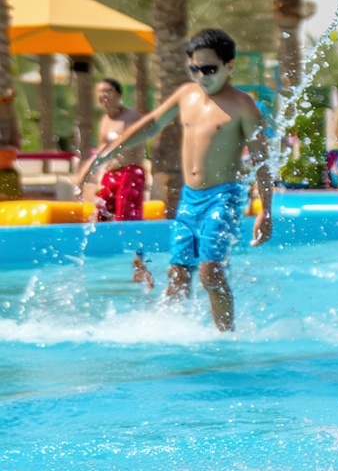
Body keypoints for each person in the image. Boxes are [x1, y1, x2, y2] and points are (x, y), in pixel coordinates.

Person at [88, 28, 274, 332]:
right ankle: (173, 335)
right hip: (190, 199)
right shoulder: (186, 95)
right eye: (194, 68)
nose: (201, 75)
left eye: (209, 68)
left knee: (210, 272)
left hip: (224, 196)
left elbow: (262, 162)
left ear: (230, 66)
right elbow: (150, 125)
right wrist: (109, 151)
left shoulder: (243, 107)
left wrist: (266, 210)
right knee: (177, 273)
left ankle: (227, 340)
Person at [73, 79, 146, 221]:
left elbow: (119, 144)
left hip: (130, 173)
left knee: (125, 217)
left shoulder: (132, 117)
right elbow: (101, 150)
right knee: (102, 214)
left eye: (108, 90)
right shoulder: (104, 121)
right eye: (100, 91)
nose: (103, 95)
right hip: (112, 174)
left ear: (119, 95)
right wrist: (84, 174)